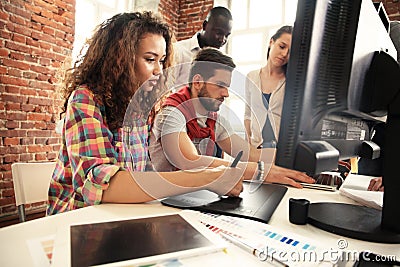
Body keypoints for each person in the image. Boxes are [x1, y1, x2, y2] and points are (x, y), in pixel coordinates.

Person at [47, 12, 244, 215]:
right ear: (120, 60)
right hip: (77, 219)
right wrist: (205, 178)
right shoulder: (86, 99)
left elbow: (143, 173)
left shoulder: (143, 107)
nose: (159, 71)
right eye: (150, 59)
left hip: (124, 214)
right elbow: (102, 185)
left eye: (162, 60)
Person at [150, 47, 314, 188]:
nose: (226, 94)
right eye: (220, 85)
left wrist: (297, 157)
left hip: (193, 196)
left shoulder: (214, 120)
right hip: (163, 202)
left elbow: (249, 154)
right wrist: (261, 171)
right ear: (198, 82)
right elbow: (191, 161)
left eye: (227, 87)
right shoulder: (171, 113)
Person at [244, 25, 292, 148]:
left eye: (290, 51)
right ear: (271, 42)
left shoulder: (291, 82)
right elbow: (248, 115)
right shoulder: (251, 76)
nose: (284, 54)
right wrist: (248, 142)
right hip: (256, 148)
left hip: (280, 151)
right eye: (282, 46)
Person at [172, 6, 233, 87]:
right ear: (205, 25)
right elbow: (165, 91)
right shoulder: (179, 50)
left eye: (227, 36)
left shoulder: (220, 61)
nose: (222, 40)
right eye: (219, 33)